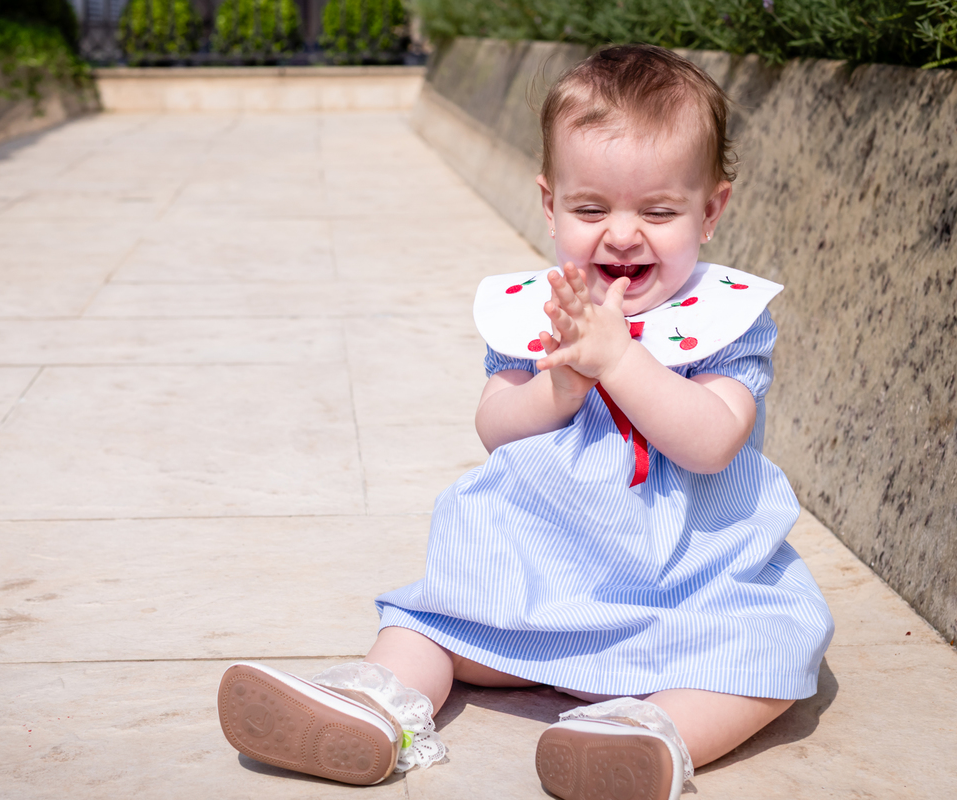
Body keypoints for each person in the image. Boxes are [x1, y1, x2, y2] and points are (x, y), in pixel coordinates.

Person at [216, 43, 833, 800]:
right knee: (430, 621)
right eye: (591, 209)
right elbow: (496, 426)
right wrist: (561, 386)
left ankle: (648, 733)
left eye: (659, 211)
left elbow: (711, 443)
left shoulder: (724, 318)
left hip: (687, 591)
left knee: (773, 648)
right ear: (550, 204)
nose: (622, 234)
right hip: (540, 577)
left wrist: (622, 361)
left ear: (710, 211)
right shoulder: (535, 310)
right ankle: (378, 703)